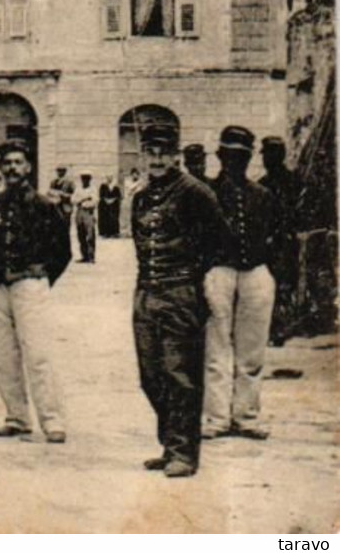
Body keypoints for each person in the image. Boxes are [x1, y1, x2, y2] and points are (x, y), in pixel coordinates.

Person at [130, 124, 229, 478]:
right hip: (146, 293)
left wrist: (191, 277)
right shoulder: (141, 197)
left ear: (175, 155)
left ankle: (183, 453)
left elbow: (219, 241)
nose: (156, 159)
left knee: (179, 374)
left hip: (180, 293)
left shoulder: (194, 192)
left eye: (163, 152)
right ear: (143, 156)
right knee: (151, 375)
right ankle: (170, 443)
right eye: (150, 152)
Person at [0, 141, 71, 444]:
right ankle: (17, 417)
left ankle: (53, 420)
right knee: (2, 356)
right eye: (7, 163)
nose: (12, 168)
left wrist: (39, 278)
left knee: (38, 354)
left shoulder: (45, 206)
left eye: (18, 162)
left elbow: (62, 252)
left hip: (30, 285)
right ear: (0, 168)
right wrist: (1, 273)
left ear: (29, 166)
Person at [202, 127, 280, 441]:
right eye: (230, 155)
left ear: (250, 159)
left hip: (255, 274)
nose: (235, 162)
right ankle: (216, 417)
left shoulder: (263, 195)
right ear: (220, 157)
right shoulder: (205, 193)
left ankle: (247, 416)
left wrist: (272, 275)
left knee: (252, 350)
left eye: (242, 156)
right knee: (216, 348)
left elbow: (278, 237)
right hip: (218, 272)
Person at [259, 136, 300, 344]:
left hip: (288, 242)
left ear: (279, 156)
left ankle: (282, 327)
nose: (266, 159)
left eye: (270, 154)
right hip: (269, 244)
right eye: (265, 154)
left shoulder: (294, 181)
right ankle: (275, 328)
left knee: (286, 284)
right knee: (270, 286)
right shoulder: (262, 185)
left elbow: (302, 211)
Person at [73, 173, 99, 263]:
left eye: (87, 179)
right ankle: (84, 256)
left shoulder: (93, 189)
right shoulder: (78, 189)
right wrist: (85, 198)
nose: (84, 180)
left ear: (89, 180)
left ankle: (91, 256)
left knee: (90, 235)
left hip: (89, 213)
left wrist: (82, 201)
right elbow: (73, 200)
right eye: (83, 179)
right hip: (79, 212)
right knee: (81, 234)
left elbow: (94, 202)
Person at [99, 175, 124, 239]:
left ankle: (114, 233)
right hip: (105, 205)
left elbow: (119, 196)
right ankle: (105, 233)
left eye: (110, 177)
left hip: (114, 206)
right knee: (105, 219)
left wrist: (113, 200)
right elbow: (101, 195)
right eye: (108, 177)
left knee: (114, 218)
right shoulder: (103, 186)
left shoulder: (116, 187)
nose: (109, 179)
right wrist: (106, 200)